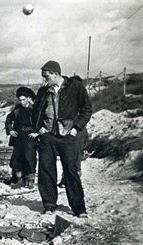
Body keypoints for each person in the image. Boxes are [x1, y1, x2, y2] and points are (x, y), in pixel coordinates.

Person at [32, 61, 92, 217]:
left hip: (67, 136)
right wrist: (39, 128)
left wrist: (75, 129)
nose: (44, 80)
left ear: (55, 74)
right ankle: (49, 205)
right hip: (47, 136)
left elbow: (86, 109)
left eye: (46, 77)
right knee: (46, 170)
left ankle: (79, 208)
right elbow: (35, 112)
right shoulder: (43, 91)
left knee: (71, 171)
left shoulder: (76, 87)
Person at [5, 87, 38, 188]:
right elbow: (8, 120)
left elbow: (41, 122)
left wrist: (36, 133)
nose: (22, 102)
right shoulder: (17, 109)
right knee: (16, 158)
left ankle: (30, 181)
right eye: (20, 100)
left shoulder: (34, 109)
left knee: (30, 158)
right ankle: (19, 180)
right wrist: (10, 130)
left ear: (28, 98)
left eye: (24, 100)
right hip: (19, 136)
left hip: (30, 137)